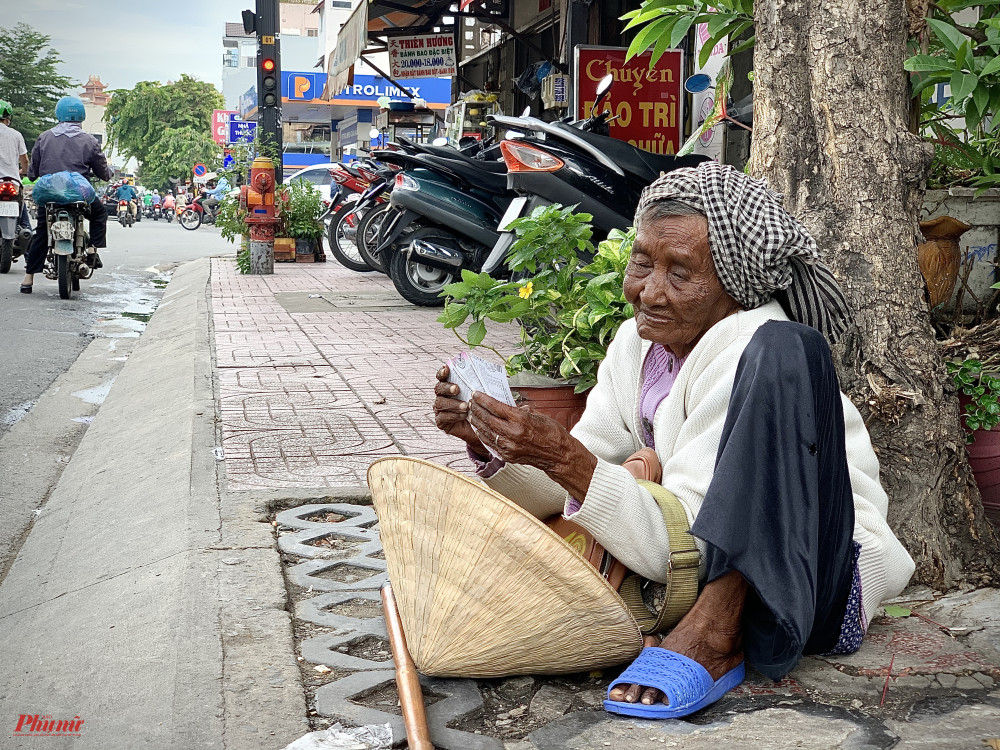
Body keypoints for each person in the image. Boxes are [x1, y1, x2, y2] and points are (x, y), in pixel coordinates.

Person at [432, 161, 915, 719]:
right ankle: (715, 622)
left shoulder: (745, 345)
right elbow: (587, 462)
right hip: (709, 570)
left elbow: (680, 550)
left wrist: (565, 458)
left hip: (815, 583)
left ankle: (716, 634)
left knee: (788, 348)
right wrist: (495, 440)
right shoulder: (637, 345)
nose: (649, 292)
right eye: (642, 262)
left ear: (733, 284)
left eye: (680, 273)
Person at [21, 96, 112, 294]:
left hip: (49, 193)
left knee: (43, 229)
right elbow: (103, 173)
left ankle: (28, 278)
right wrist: (107, 173)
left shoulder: (44, 137)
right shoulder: (89, 140)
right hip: (79, 193)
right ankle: (91, 250)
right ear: (81, 116)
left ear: (58, 114)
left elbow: (33, 172)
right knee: (99, 214)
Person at [0, 100, 32, 232]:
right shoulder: (16, 135)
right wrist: (24, 172)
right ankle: (30, 252)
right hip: (13, 183)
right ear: (8, 117)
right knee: (25, 223)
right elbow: (24, 160)